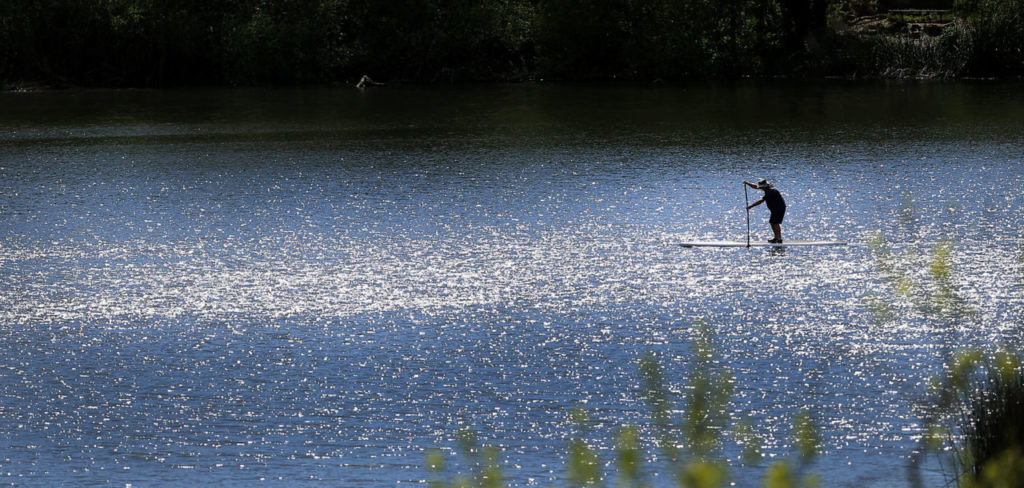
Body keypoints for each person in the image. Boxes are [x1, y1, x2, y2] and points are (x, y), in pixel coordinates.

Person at [743, 178, 786, 243]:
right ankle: (776, 238)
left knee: (775, 223)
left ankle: (779, 239)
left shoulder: (771, 191)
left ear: (764, 186)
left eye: (761, 187)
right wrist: (747, 183)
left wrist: (751, 206)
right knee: (772, 222)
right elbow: (755, 187)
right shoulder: (767, 188)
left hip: (779, 208)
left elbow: (761, 201)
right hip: (775, 209)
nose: (761, 189)